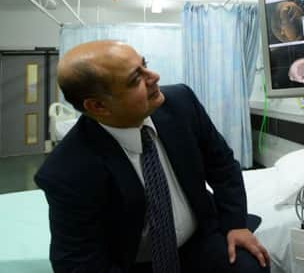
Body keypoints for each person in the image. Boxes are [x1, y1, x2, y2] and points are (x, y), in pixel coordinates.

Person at [35, 40, 270, 273]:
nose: (154, 76)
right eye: (136, 78)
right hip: (133, 263)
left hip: (200, 240)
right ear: (98, 106)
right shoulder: (66, 170)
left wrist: (235, 225)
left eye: (144, 64)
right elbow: (77, 261)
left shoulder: (181, 103)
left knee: (252, 266)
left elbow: (222, 165)